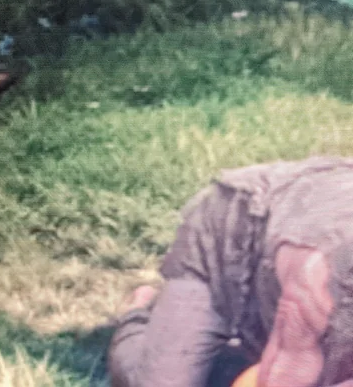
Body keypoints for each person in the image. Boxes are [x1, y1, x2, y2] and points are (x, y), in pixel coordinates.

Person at [107, 156, 353, 387]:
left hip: (290, 259)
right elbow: (284, 377)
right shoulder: (320, 275)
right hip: (229, 230)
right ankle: (140, 312)